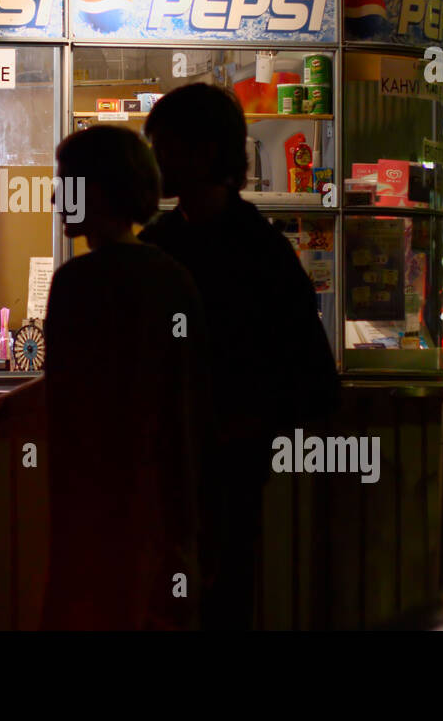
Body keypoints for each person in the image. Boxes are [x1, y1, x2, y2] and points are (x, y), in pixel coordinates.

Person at [139, 83, 340, 630]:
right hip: (198, 473)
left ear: (202, 151)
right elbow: (314, 379)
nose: (158, 162)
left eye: (167, 147)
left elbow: (309, 376)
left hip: (212, 476)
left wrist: (237, 429)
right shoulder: (252, 245)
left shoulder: (181, 246)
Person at [0, 126, 209, 630]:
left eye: (66, 182)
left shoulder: (79, 283)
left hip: (92, 502)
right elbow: (184, 398)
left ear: (99, 190)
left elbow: (68, 392)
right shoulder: (172, 277)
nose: (54, 195)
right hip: (160, 504)